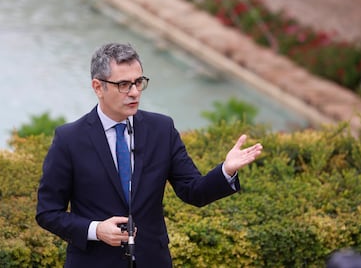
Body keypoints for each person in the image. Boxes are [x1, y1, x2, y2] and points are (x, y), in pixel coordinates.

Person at [36, 42, 263, 267]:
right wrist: (96, 230)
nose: (134, 92)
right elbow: (48, 212)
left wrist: (227, 170)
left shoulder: (162, 129)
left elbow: (193, 191)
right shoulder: (69, 139)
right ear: (98, 87)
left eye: (138, 82)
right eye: (124, 84)